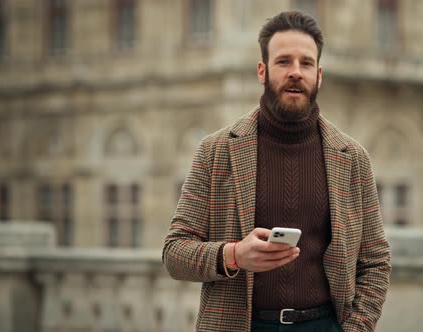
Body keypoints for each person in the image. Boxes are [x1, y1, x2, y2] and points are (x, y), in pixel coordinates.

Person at [163, 10, 391, 332]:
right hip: (241, 325)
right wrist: (234, 255)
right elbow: (174, 253)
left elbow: (376, 262)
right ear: (262, 70)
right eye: (284, 61)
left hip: (323, 325)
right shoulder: (215, 151)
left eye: (306, 63)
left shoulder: (353, 159)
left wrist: (356, 328)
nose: (295, 72)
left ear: (319, 74)